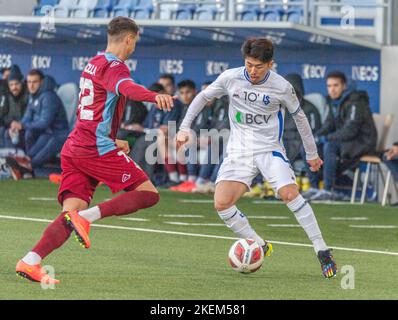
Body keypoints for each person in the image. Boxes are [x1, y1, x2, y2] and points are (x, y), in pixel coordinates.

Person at [16, 17, 175, 284]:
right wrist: (153, 96)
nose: (134, 47)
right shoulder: (116, 66)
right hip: (93, 148)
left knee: (69, 214)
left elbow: (95, 109)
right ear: (129, 39)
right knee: (148, 194)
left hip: (77, 144)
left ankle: (30, 260)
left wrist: (113, 138)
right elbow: (126, 87)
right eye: (134, 42)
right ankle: (87, 218)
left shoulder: (94, 62)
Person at [176, 37, 337, 279]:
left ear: (270, 64)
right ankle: (259, 244)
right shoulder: (231, 77)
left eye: (258, 66)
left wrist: (312, 154)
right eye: (249, 64)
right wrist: (184, 127)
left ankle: (322, 250)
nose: (252, 70)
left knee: (289, 194)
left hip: (269, 150)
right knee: (221, 203)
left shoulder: (282, 87)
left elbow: (300, 118)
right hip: (239, 151)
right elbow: (202, 97)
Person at [306, 71, 377, 201]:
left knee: (329, 146)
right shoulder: (334, 102)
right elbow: (329, 125)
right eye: (329, 86)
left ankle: (328, 190)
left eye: (335, 85)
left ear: (344, 86)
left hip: (361, 143)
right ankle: (315, 187)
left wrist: (326, 138)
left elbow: (351, 130)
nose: (332, 89)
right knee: (309, 146)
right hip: (348, 142)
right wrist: (314, 138)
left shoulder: (356, 101)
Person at [5, 71, 68, 172]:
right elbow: (27, 116)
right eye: (29, 82)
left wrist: (23, 126)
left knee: (33, 162)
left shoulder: (49, 97)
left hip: (60, 135)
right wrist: (17, 126)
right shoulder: (33, 95)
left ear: (41, 82)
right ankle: (21, 166)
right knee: (29, 156)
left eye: (35, 82)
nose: (31, 85)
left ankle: (25, 169)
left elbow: (45, 122)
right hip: (47, 134)